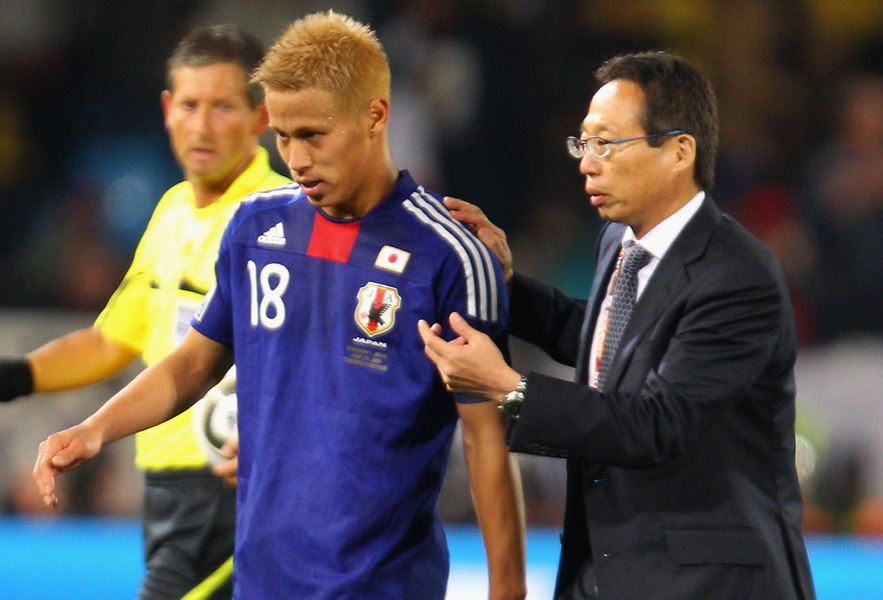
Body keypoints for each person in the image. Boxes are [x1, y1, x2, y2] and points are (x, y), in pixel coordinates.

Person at [34, 11, 527, 600]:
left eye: (313, 135)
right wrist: (94, 430)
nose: (295, 158)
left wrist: (508, 590)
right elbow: (195, 363)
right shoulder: (255, 226)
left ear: (375, 115)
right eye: (283, 136)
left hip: (383, 584)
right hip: (264, 579)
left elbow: (485, 437)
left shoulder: (447, 254)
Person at [418, 51, 817, 600]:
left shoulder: (737, 273)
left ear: (679, 152)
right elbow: (610, 345)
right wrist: (507, 285)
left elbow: (657, 422)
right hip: (606, 572)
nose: (586, 162)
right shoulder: (620, 242)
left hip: (706, 583)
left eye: (606, 143)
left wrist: (508, 388)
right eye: (583, 143)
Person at [1, 24, 289, 599]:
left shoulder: (277, 220)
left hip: (234, 490)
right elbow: (114, 340)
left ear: (261, 117)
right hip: (167, 492)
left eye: (223, 107)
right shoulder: (174, 210)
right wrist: (16, 376)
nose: (202, 126)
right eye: (189, 104)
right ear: (166, 109)